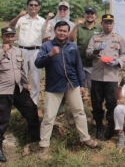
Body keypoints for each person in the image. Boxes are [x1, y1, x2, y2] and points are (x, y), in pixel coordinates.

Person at [35, 21, 99, 160]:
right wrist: (50, 55)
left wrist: (82, 85)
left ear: (68, 32)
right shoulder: (47, 46)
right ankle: (44, 145)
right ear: (55, 31)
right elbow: (38, 63)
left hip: (72, 84)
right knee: (49, 116)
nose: (62, 33)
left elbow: (78, 67)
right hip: (54, 86)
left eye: (65, 31)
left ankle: (85, 138)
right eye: (60, 30)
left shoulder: (72, 47)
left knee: (79, 112)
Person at [0, 27, 40, 163]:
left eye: (12, 36)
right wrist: (3, 52)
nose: (10, 39)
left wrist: (25, 85)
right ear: (2, 37)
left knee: (32, 110)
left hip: (18, 89)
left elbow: (22, 70)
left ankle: (35, 138)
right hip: (3, 91)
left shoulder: (18, 51)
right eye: (7, 36)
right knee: (2, 120)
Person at [86, 14, 125, 140]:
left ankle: (110, 127)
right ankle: (99, 126)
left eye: (110, 22)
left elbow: (124, 54)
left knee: (111, 103)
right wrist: (96, 51)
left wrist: (117, 62)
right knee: (97, 103)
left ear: (113, 24)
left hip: (111, 77)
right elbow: (88, 53)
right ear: (101, 23)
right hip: (97, 76)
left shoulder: (119, 38)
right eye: (106, 22)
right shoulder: (95, 38)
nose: (108, 25)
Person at [9, 0, 47, 104]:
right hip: (22, 50)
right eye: (31, 5)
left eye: (35, 5)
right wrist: (18, 16)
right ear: (27, 6)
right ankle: (22, 100)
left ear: (39, 7)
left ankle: (34, 102)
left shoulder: (42, 21)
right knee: (21, 76)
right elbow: (11, 27)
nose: (33, 7)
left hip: (36, 50)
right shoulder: (22, 19)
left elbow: (45, 36)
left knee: (35, 77)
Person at [43, 1, 76, 117]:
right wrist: (47, 20)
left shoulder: (71, 24)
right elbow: (44, 34)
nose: (62, 11)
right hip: (52, 53)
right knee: (53, 79)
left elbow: (72, 40)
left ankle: (62, 106)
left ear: (68, 10)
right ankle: (53, 108)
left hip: (66, 53)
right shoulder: (51, 22)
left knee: (65, 78)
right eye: (60, 9)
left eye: (65, 9)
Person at [69, 6, 102, 95]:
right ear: (84, 15)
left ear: (95, 16)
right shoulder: (79, 28)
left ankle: (94, 107)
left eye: (92, 14)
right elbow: (71, 39)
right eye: (88, 13)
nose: (90, 15)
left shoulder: (99, 28)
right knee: (79, 88)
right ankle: (79, 106)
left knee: (93, 88)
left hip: (94, 63)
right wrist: (75, 26)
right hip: (80, 63)